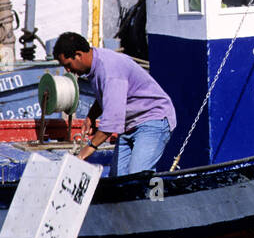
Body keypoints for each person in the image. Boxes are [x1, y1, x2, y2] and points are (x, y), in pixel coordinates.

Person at [54, 32, 177, 176]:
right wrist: (91, 117)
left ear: (79, 55)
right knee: (117, 179)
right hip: (129, 125)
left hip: (153, 119)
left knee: (137, 177)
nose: (68, 70)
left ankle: (152, 198)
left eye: (68, 65)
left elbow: (112, 120)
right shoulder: (95, 62)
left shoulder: (109, 70)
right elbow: (107, 96)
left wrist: (89, 148)